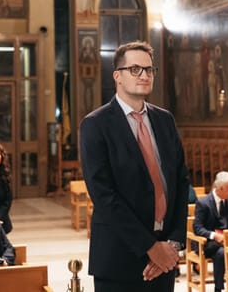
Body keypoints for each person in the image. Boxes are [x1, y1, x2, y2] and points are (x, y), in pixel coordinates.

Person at [80, 40, 189, 291]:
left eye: (149, 70)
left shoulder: (164, 120)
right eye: (135, 69)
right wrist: (150, 247)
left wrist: (172, 244)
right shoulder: (96, 124)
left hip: (165, 255)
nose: (144, 75)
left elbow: (181, 182)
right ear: (117, 76)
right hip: (120, 256)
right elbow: (104, 195)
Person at [192, 171, 228, 292]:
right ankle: (218, 288)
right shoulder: (203, 203)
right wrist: (214, 236)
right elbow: (197, 228)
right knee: (221, 253)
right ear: (221, 188)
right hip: (209, 243)